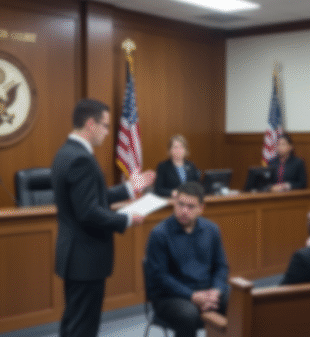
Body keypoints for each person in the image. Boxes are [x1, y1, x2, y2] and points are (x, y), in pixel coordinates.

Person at [52, 99, 156, 337]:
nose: (108, 132)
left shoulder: (66, 152)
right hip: (85, 259)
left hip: (76, 257)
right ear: (91, 124)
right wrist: (128, 219)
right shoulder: (81, 159)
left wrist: (131, 187)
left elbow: (93, 198)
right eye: (106, 126)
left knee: (74, 321)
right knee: (83, 327)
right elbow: (89, 212)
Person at [144, 181, 229, 337]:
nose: (184, 211)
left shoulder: (212, 230)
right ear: (174, 204)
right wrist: (192, 296)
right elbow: (160, 278)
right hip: (170, 296)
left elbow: (221, 266)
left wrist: (216, 290)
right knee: (188, 314)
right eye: (180, 204)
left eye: (190, 207)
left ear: (201, 209)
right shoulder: (159, 234)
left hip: (206, 289)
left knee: (237, 301)